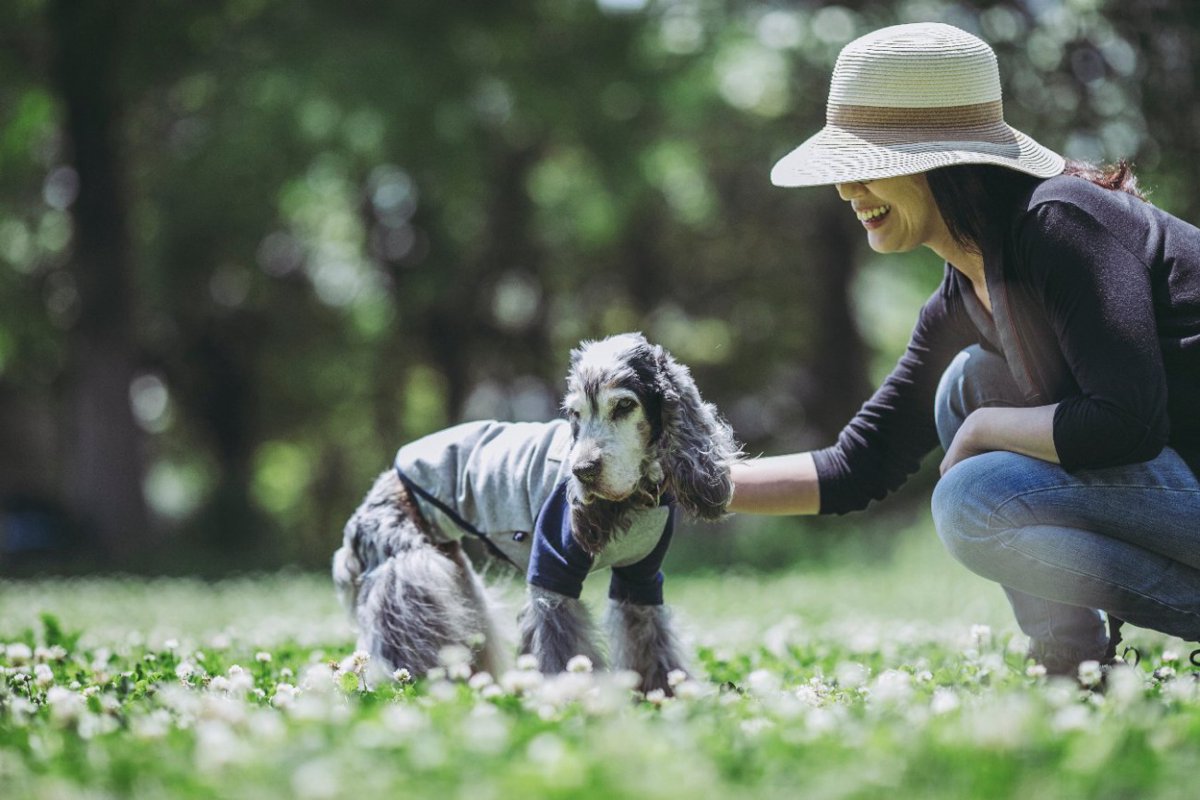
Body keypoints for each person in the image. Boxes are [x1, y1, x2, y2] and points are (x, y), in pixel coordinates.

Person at [728, 22, 1200, 676]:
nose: (846, 190)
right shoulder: (965, 290)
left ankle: (1077, 659)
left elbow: (1128, 420)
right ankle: (1075, 665)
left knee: (971, 497)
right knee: (966, 382)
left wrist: (985, 429)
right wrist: (681, 484)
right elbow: (859, 464)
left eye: (868, 165)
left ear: (942, 160)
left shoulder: (1060, 223)